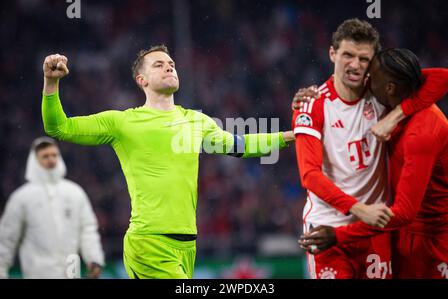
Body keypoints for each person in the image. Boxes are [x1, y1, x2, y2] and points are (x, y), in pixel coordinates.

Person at [40, 45, 294, 279]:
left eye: (171, 63)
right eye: (158, 64)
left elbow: (241, 147)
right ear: (142, 80)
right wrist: (51, 83)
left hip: (187, 245)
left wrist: (287, 137)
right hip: (149, 243)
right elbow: (59, 127)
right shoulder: (122, 122)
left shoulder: (196, 121)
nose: (169, 66)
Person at [291, 19, 442, 279]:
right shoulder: (312, 105)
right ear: (332, 53)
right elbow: (309, 175)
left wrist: (395, 116)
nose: (355, 65)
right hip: (329, 229)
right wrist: (360, 210)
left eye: (364, 59)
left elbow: (441, 78)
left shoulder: (384, 97)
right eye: (347, 55)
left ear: (373, 63)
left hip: (374, 232)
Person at [0, 137, 104, 279]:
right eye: (45, 156)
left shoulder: (75, 192)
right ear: (34, 161)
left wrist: (94, 259)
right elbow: (6, 239)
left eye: (54, 155)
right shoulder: (21, 198)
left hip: (71, 273)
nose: (51, 160)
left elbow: (88, 229)